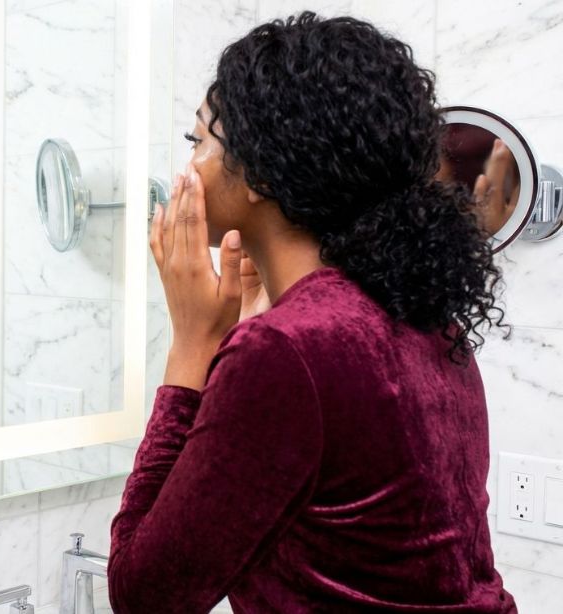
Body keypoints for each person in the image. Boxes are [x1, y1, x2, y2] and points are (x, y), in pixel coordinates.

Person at [108, 13, 516, 612]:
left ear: (262, 172)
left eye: (198, 142)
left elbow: (145, 595)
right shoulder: (422, 315)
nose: (186, 170)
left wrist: (195, 344)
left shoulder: (288, 350)